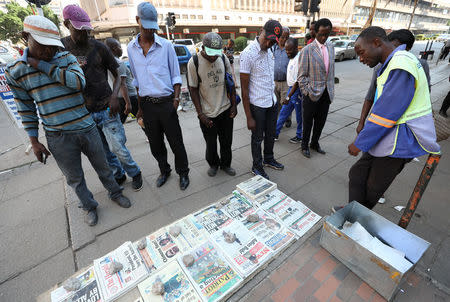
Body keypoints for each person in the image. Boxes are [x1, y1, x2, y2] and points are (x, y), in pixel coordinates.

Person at [5, 15, 131, 226]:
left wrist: (42, 65)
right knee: (74, 178)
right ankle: (89, 205)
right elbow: (25, 108)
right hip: (58, 135)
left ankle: (115, 192)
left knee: (104, 166)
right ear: (26, 37)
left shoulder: (67, 59)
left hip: (86, 126)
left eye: (51, 46)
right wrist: (34, 141)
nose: (49, 51)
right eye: (43, 45)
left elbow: (77, 83)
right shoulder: (15, 71)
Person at [344, 26, 440, 211]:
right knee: (357, 174)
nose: (361, 59)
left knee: (373, 187)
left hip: (401, 138)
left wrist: (360, 143)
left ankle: (357, 218)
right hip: (388, 134)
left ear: (377, 43)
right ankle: (353, 213)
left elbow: (386, 114)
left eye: (362, 52)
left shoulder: (401, 64)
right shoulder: (393, 63)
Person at [61, 5, 143, 191]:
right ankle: (118, 173)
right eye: (79, 30)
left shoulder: (99, 47)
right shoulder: (62, 49)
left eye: (87, 29)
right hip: (84, 113)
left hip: (107, 108)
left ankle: (134, 172)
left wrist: (115, 97)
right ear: (67, 25)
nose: (85, 33)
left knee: (117, 148)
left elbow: (117, 75)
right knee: (103, 152)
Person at [127, 2, 190, 190]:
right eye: (145, 26)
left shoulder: (166, 46)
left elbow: (176, 76)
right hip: (147, 105)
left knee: (176, 142)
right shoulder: (131, 49)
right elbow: (136, 80)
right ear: (138, 21)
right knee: (155, 144)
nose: (149, 31)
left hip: (166, 104)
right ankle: (165, 170)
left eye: (152, 27)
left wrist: (175, 101)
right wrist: (139, 108)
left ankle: (183, 172)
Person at [356, 29, 432, 135]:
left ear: (408, 49)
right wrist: (361, 123)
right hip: (379, 122)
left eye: (398, 49)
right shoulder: (379, 66)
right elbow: (371, 95)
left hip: (402, 128)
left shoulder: (414, 65)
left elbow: (425, 93)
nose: (394, 52)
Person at [188, 32, 238, 177]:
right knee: (211, 144)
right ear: (202, 48)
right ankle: (213, 164)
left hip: (225, 109)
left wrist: (234, 105)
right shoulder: (194, 62)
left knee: (226, 142)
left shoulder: (223, 58)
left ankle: (226, 164)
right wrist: (200, 114)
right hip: (207, 113)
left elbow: (231, 83)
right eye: (210, 53)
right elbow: (193, 89)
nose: (213, 57)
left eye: (215, 54)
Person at [240, 20, 285, 179]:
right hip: (257, 105)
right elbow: (244, 90)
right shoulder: (248, 54)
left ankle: (269, 158)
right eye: (267, 38)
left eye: (272, 41)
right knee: (257, 138)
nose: (268, 43)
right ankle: (256, 166)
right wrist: (249, 117)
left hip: (271, 101)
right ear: (261, 31)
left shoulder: (270, 51)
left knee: (271, 134)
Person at [298, 18, 335, 158]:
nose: (324, 37)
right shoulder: (307, 50)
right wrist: (306, 91)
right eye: (321, 34)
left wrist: (331, 88)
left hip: (326, 93)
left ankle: (315, 143)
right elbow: (301, 75)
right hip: (311, 93)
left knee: (321, 121)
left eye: (327, 34)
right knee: (308, 122)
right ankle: (304, 145)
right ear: (315, 32)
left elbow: (331, 70)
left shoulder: (331, 47)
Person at [275, 38, 303, 144]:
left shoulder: (298, 59)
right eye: (286, 50)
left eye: (289, 50)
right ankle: (275, 133)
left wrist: (288, 96)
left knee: (299, 115)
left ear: (296, 48)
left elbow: (297, 82)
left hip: (296, 91)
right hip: (291, 90)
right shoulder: (292, 57)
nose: (287, 52)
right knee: (283, 112)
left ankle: (299, 136)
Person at [105, 38, 139, 124]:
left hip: (118, 98)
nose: (121, 49)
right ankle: (151, 137)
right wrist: (128, 103)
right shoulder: (118, 63)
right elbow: (122, 84)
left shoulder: (106, 62)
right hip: (129, 97)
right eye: (120, 47)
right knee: (142, 119)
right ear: (114, 48)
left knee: (119, 123)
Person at [273, 27, 292, 127]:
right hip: (274, 81)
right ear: (278, 37)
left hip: (286, 81)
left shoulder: (290, 48)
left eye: (286, 37)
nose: (284, 39)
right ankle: (278, 121)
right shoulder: (273, 48)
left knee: (285, 102)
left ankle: (287, 119)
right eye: (282, 37)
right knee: (276, 103)